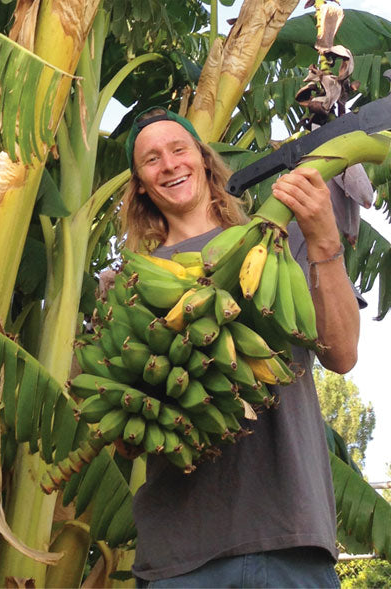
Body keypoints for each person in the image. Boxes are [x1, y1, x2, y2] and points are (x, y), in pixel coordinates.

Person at [121, 107, 362, 588]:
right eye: (151, 159)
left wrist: (322, 238)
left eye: (178, 149)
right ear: (142, 186)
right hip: (181, 555)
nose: (168, 164)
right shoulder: (128, 286)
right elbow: (130, 428)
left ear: (205, 162)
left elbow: (342, 354)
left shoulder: (275, 245)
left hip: (289, 535)